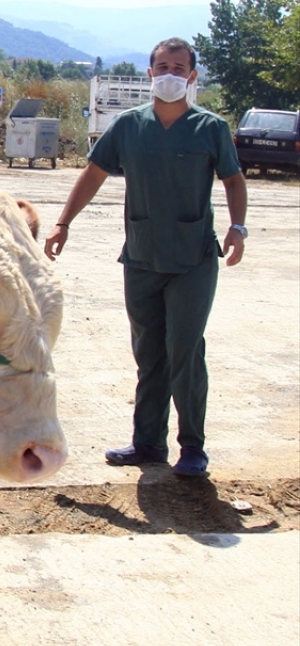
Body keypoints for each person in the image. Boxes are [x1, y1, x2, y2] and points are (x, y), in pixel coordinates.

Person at [44, 37, 247, 478]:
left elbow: (233, 179)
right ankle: (148, 443)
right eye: (163, 67)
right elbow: (93, 173)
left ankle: (192, 447)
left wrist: (238, 227)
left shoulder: (210, 128)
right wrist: (63, 223)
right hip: (141, 257)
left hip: (193, 259)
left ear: (192, 76)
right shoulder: (128, 126)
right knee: (149, 353)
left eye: (179, 68)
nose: (170, 74)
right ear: (150, 73)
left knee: (185, 351)